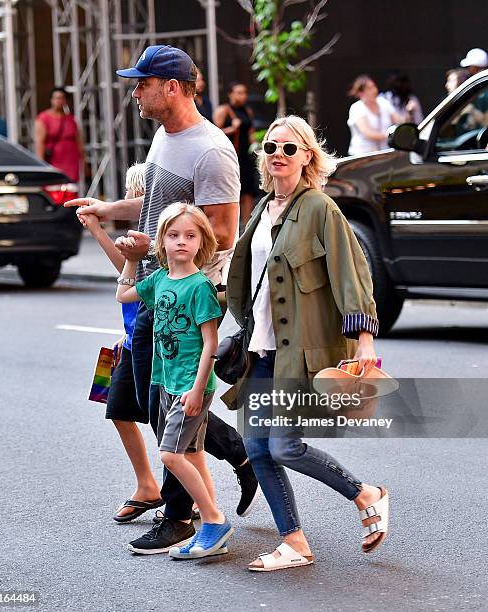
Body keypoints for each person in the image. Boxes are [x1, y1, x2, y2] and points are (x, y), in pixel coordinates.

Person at [65, 45, 260, 554]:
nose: (134, 91)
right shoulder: (163, 138)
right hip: (152, 287)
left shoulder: (211, 150)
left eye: (141, 83)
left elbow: (222, 228)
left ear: (171, 87)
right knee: (142, 402)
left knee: (167, 407)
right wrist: (109, 210)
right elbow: (154, 204)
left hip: (186, 294)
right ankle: (225, 469)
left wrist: (154, 244)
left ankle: (183, 516)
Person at [222, 115, 389, 572]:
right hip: (259, 350)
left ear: (308, 157)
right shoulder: (261, 210)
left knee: (284, 446)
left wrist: (364, 341)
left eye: (290, 149)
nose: (279, 154)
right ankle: (294, 541)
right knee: (257, 450)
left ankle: (366, 494)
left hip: (298, 351)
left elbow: (352, 275)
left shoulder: (319, 208)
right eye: (272, 147)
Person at [117, 202, 234, 559]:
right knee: (193, 453)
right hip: (165, 381)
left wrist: (198, 389)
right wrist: (133, 260)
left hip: (190, 386)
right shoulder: (159, 280)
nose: (181, 242)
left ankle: (214, 521)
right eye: (173, 235)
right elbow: (124, 295)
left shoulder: (200, 287)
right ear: (162, 243)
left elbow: (211, 342)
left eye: (190, 235)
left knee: (170, 453)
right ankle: (210, 524)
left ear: (202, 242)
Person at [77, 163, 163, 522]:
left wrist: (102, 232)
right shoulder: (136, 241)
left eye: (134, 193)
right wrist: (98, 230)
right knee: (116, 407)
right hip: (130, 337)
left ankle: (226, 466)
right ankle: (147, 485)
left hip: (154, 338)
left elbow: (131, 281)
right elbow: (123, 271)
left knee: (169, 418)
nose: (129, 199)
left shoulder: (159, 241)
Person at [213, 81, 257, 225]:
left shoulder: (247, 111)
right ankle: (232, 225)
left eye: (244, 93)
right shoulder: (224, 110)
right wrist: (231, 129)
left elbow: (251, 132)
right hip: (231, 156)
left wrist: (256, 146)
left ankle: (246, 224)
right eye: (238, 92)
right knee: (234, 190)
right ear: (230, 94)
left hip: (246, 156)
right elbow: (213, 134)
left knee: (248, 191)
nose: (242, 96)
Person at [34, 87, 84, 182]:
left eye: (61, 98)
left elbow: (79, 142)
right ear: (51, 100)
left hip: (71, 162)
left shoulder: (71, 119)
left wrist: (83, 162)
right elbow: (40, 143)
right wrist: (41, 165)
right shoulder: (44, 118)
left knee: (71, 188)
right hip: (53, 161)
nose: (59, 101)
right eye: (56, 98)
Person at [347, 74, 405, 155]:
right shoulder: (357, 108)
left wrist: (409, 113)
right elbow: (367, 133)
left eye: (374, 86)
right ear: (361, 93)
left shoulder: (384, 103)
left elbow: (399, 121)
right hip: (363, 155)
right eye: (370, 88)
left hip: (384, 153)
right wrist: (391, 136)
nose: (374, 90)